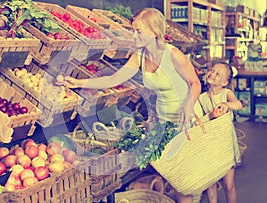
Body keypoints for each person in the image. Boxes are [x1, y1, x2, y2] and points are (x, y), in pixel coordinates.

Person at [62, 8, 201, 202]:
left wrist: (189, 104)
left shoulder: (173, 55)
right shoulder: (140, 56)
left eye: (139, 31)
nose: (134, 35)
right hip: (162, 121)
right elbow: (113, 79)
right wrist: (79, 83)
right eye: (133, 30)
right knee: (171, 174)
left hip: (184, 120)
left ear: (154, 32)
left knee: (181, 181)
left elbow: (195, 83)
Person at [197, 62, 243, 203]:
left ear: (224, 82)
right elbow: (200, 119)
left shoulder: (226, 94)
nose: (212, 74)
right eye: (212, 70)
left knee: (228, 186)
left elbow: (238, 104)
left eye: (217, 74)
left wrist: (226, 105)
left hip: (225, 144)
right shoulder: (201, 98)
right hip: (210, 143)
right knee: (210, 186)